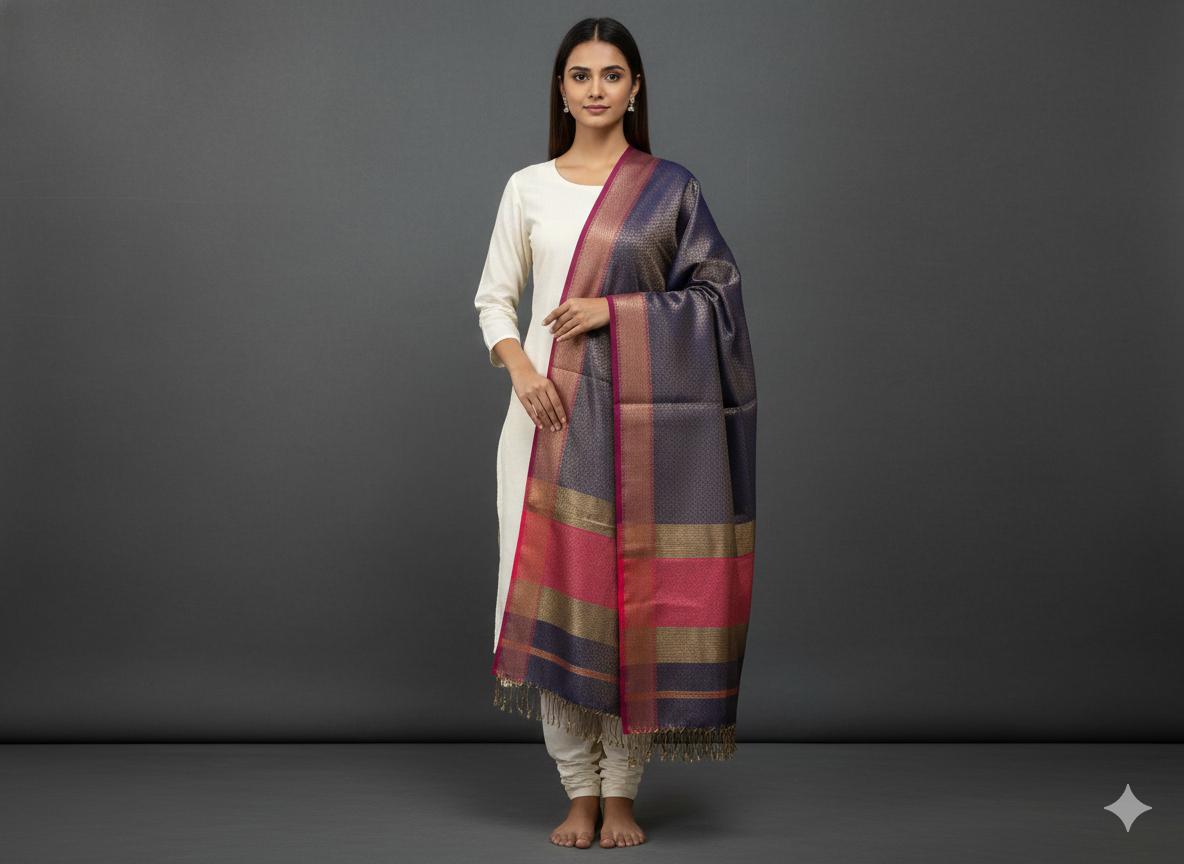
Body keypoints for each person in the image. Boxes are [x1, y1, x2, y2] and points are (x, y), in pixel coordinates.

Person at [473, 17, 758, 850]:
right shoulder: (528, 187)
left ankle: (623, 791)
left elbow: (718, 299)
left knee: (635, 596)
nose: (595, 89)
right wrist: (523, 374)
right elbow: (494, 300)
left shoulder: (670, 190)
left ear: (635, 89)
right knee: (559, 595)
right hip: (546, 424)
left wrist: (615, 310)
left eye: (611, 74)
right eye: (580, 75)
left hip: (644, 438)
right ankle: (577, 789)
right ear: (561, 91)